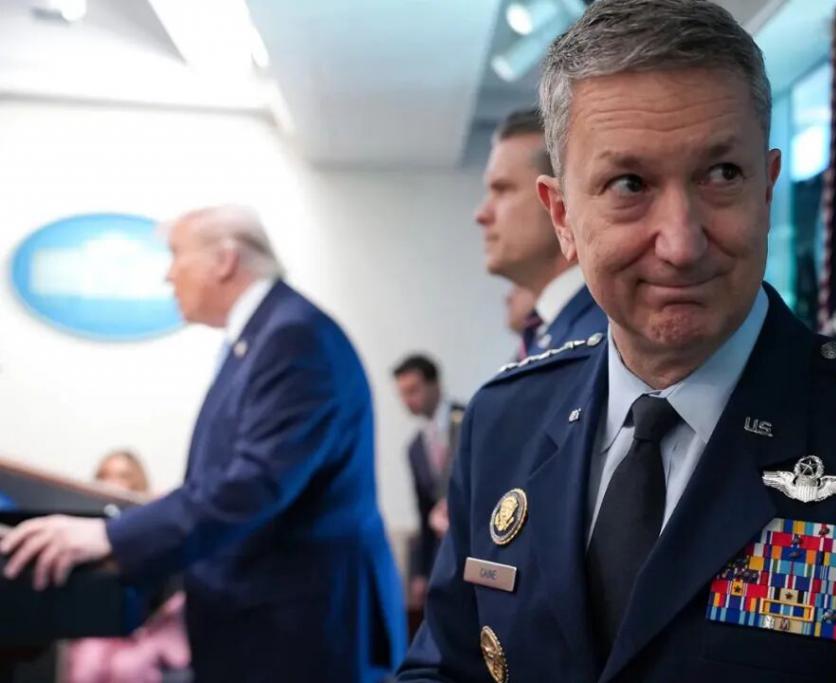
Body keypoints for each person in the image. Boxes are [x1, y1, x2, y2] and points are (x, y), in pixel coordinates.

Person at [399, 2, 836, 682]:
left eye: (721, 174)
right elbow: (448, 667)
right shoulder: (504, 425)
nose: (682, 243)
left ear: (767, 190)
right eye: (630, 184)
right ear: (563, 217)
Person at [2, 205, 405, 682]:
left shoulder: (293, 337)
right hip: (273, 624)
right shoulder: (263, 338)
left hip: (302, 631)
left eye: (176, 255)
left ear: (224, 260)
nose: (168, 275)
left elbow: (253, 486)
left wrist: (107, 536)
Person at [475, 108, 606, 359]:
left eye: (502, 189)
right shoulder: (549, 333)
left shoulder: (605, 343)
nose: (481, 214)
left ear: (562, 204)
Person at [66, 449, 190, 683]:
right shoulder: (83, 534)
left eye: (122, 476)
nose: (111, 483)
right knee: (86, 664)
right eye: (104, 475)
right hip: (98, 630)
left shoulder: (159, 529)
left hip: (152, 630)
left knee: (129, 668)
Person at [392, 355, 465, 614]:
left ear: (435, 384)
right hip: (442, 556)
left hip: (475, 544)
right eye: (402, 394)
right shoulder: (414, 448)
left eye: (413, 390)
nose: (407, 400)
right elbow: (423, 513)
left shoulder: (469, 418)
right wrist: (421, 573)